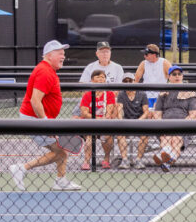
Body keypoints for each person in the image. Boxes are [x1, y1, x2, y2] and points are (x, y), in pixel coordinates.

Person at [9, 40, 81, 191]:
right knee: (61, 151)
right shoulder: (45, 71)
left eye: (64, 53)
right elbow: (35, 101)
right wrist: (46, 124)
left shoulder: (47, 70)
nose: (63, 56)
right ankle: (21, 168)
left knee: (62, 150)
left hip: (40, 118)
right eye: (60, 53)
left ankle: (60, 181)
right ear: (49, 55)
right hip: (35, 119)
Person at [152, 65, 196, 172]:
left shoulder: (190, 93)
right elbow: (157, 113)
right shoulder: (163, 93)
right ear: (169, 77)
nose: (177, 76)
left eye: (179, 74)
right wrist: (161, 124)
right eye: (174, 74)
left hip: (184, 125)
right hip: (165, 125)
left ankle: (164, 156)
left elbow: (193, 114)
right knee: (166, 136)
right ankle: (168, 159)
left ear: (182, 76)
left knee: (176, 137)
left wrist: (182, 125)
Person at [78, 69, 117, 170]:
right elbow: (84, 113)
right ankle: (86, 161)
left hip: (104, 123)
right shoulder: (87, 95)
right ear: (92, 80)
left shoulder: (109, 94)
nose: (101, 79)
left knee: (107, 137)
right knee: (90, 137)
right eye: (98, 77)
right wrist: (97, 118)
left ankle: (106, 159)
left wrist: (103, 119)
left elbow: (108, 112)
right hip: (90, 123)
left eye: (103, 77)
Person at [115, 74, 152, 168]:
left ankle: (139, 160)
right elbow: (119, 110)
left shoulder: (142, 94)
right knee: (120, 134)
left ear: (134, 81)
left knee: (145, 135)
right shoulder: (121, 94)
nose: (128, 83)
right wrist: (121, 121)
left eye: (130, 81)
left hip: (139, 122)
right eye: (125, 81)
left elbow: (146, 112)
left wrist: (138, 121)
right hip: (125, 122)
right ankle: (124, 160)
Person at [134, 44, 170, 110]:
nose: (144, 56)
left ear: (154, 55)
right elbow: (136, 79)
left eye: (146, 54)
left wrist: (167, 92)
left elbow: (172, 78)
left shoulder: (164, 63)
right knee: (147, 114)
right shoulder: (143, 63)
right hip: (146, 95)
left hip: (161, 95)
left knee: (158, 114)